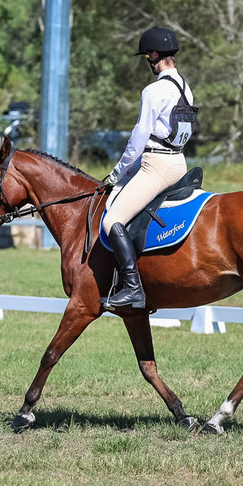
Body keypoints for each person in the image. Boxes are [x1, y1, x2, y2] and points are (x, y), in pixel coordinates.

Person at [99, 26, 196, 311]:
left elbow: (139, 136)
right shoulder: (185, 87)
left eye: (147, 58)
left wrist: (118, 170)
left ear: (155, 55)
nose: (148, 64)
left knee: (111, 219)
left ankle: (132, 288)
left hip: (157, 165)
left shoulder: (154, 90)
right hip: (179, 162)